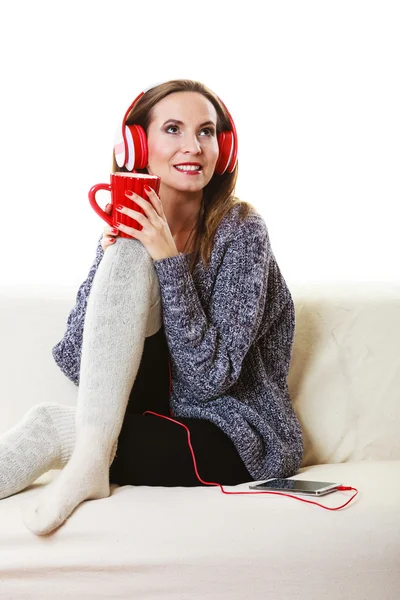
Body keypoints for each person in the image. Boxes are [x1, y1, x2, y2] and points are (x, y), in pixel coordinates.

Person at [0, 79, 304, 536]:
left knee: (53, 427)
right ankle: (92, 456)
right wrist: (111, 257)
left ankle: (90, 457)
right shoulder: (130, 235)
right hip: (147, 417)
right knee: (129, 256)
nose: (194, 146)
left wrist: (170, 263)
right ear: (138, 145)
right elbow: (74, 361)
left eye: (206, 132)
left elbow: (209, 382)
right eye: (174, 129)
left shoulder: (241, 233)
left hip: (229, 434)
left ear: (224, 146)